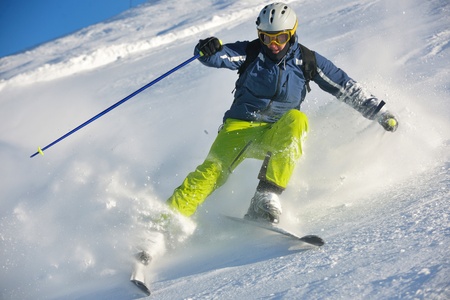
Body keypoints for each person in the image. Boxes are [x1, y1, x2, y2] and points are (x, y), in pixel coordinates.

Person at [164, 2, 398, 224]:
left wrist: (378, 111)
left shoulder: (307, 61)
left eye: (281, 37)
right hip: (239, 128)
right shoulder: (251, 52)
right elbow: (219, 56)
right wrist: (207, 48)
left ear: (292, 34)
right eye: (266, 37)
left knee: (297, 120)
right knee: (210, 172)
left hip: (275, 133)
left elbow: (344, 86)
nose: (273, 44)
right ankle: (162, 224)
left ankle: (265, 196)